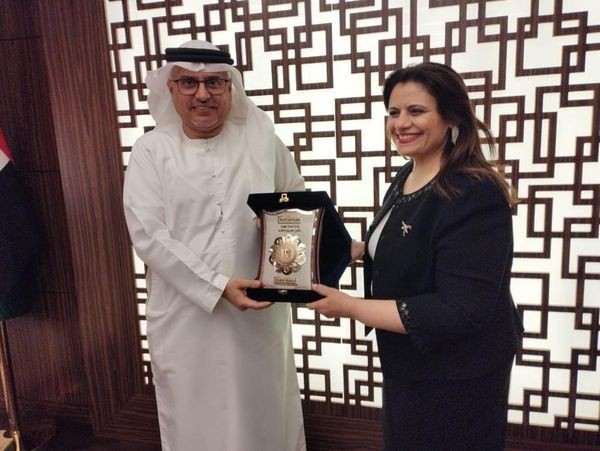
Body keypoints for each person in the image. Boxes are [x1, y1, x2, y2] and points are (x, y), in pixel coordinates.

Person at [307, 62, 523, 450]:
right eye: (393, 112)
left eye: (416, 111)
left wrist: (350, 306)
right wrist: (351, 250)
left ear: (451, 116)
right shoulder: (407, 174)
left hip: (459, 373)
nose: (401, 123)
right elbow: (413, 245)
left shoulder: (473, 191)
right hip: (406, 360)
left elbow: (462, 308)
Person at [123, 40, 306, 451]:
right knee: (198, 421)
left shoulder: (261, 141)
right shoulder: (151, 151)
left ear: (230, 87)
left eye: (214, 83)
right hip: (187, 319)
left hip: (258, 314)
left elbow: (295, 199)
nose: (202, 94)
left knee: (264, 414)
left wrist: (292, 246)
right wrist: (217, 285)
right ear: (170, 88)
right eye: (189, 82)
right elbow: (148, 234)